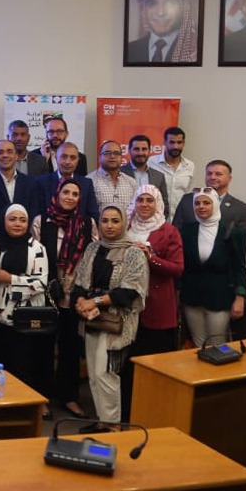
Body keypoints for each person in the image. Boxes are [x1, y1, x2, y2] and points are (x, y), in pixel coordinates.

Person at [71, 205, 149, 426]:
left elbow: (128, 293)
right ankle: (101, 421)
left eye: (115, 221)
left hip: (116, 321)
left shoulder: (133, 252)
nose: (109, 226)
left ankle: (112, 425)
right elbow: (80, 281)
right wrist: (80, 301)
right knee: (93, 375)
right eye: (105, 221)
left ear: (124, 223)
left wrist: (94, 302)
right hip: (91, 319)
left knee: (105, 374)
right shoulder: (93, 248)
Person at [32, 179, 99, 419]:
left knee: (71, 347)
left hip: (75, 293)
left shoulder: (88, 224)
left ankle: (69, 397)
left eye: (75, 194)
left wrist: (80, 289)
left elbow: (91, 257)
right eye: (66, 192)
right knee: (43, 347)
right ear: (57, 194)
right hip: (48, 292)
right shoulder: (42, 221)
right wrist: (52, 283)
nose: (70, 197)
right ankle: (42, 398)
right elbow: (35, 256)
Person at [125, 184, 183, 421]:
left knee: (155, 361)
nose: (145, 205)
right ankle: (129, 411)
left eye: (150, 200)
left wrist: (151, 258)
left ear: (158, 203)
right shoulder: (126, 226)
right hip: (128, 305)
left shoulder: (168, 231)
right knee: (129, 362)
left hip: (157, 305)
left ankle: (156, 412)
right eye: (140, 200)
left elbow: (177, 268)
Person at [0, 204, 51, 414]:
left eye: (22, 220)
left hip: (24, 317)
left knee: (24, 364)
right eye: (12, 219)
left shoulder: (36, 248)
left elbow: (41, 283)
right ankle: (2, 407)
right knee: (1, 364)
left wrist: (11, 279)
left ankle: (27, 409)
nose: (17, 224)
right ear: (4, 221)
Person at [179, 189, 246, 347]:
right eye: (197, 203)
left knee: (217, 344)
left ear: (215, 204)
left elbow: (239, 268)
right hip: (192, 297)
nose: (201, 206)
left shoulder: (232, 232)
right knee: (198, 344)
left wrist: (240, 297)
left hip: (220, 296)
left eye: (206, 203)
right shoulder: (187, 230)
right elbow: (183, 266)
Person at [171, 159, 246, 241]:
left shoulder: (241, 209)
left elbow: (240, 244)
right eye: (209, 173)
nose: (212, 177)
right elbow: (175, 234)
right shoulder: (187, 200)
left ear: (229, 178)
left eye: (218, 174)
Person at [126, 0, 198, 63]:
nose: (161, 12)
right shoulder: (129, 50)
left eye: (170, 4)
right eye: (152, 4)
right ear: (144, 10)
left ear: (183, 8)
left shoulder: (194, 52)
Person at [31, 141, 99, 224]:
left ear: (78, 160)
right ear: (56, 158)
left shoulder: (86, 184)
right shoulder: (42, 182)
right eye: (64, 157)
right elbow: (36, 214)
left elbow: (93, 215)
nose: (68, 162)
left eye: (73, 158)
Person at [0, 138, 36, 231]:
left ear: (16, 156)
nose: (5, 155)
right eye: (0, 152)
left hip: (23, 235)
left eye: (9, 152)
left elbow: (33, 211)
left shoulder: (30, 182)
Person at [148, 127, 195, 216]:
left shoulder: (190, 166)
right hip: (156, 217)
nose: (175, 146)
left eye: (179, 142)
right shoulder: (151, 163)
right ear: (165, 142)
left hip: (181, 218)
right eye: (172, 142)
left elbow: (189, 194)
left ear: (184, 143)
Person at [125, 135, 171, 220]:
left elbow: (164, 207)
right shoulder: (120, 173)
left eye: (144, 149)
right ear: (129, 151)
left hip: (152, 226)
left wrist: (157, 224)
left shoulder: (159, 176)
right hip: (127, 224)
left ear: (149, 151)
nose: (140, 153)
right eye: (136, 149)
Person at [89, 140, 138, 215]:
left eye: (116, 153)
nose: (112, 156)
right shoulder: (89, 181)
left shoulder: (131, 182)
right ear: (99, 157)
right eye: (107, 153)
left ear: (121, 157)